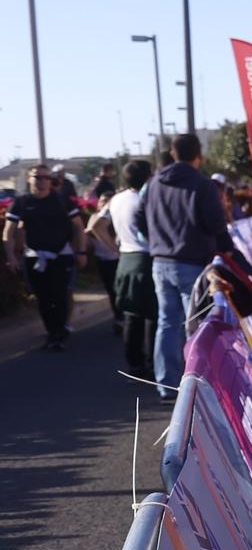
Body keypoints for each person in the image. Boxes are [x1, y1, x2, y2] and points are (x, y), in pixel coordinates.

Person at [141, 134, 232, 398]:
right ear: (198, 154)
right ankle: (197, 384)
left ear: (172, 152)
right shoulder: (202, 185)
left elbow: (139, 218)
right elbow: (214, 223)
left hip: (160, 261)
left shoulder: (153, 184)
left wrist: (156, 240)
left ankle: (166, 383)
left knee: (167, 323)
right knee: (196, 324)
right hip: (191, 262)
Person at [4, 164, 86, 351]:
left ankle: (58, 333)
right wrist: (11, 256)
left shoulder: (62, 200)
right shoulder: (21, 202)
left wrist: (80, 251)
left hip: (60, 255)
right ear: (29, 179)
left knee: (59, 295)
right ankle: (53, 332)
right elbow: (8, 232)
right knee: (42, 297)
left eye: (46, 178)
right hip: (34, 257)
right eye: (37, 177)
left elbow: (79, 227)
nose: (42, 181)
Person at [93, 160, 158, 378]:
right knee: (154, 316)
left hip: (126, 260)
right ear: (149, 176)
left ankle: (135, 365)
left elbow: (95, 225)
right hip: (146, 258)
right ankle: (152, 363)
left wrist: (114, 247)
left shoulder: (116, 199)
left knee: (131, 315)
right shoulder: (147, 198)